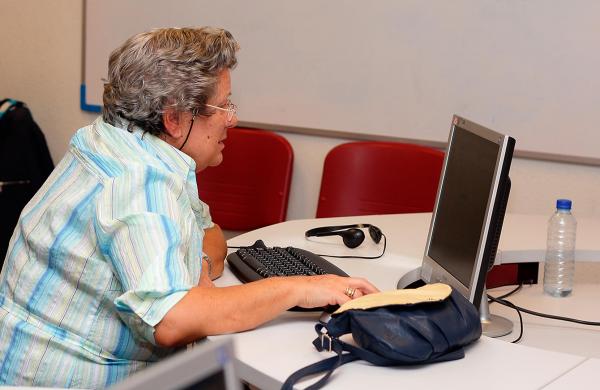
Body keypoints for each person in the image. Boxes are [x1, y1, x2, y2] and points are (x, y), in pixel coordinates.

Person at [0, 27, 378, 388]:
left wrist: (193, 278)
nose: (233, 118)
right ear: (175, 118)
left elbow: (210, 238)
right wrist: (301, 289)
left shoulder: (129, 143)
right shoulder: (136, 182)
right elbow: (174, 321)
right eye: (224, 105)